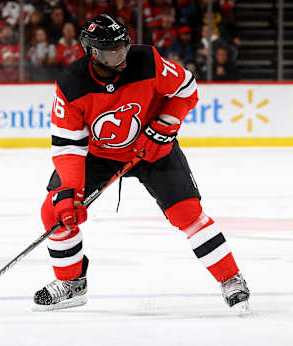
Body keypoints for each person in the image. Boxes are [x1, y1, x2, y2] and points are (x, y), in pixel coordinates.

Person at [33, 14, 250, 312]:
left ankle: (231, 278)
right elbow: (68, 145)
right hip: (99, 157)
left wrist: (164, 127)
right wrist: (70, 191)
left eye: (123, 48)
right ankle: (72, 283)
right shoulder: (72, 84)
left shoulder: (147, 60)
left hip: (153, 148)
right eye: (112, 52)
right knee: (55, 211)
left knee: (187, 213)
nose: (121, 57)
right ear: (92, 53)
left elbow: (186, 89)